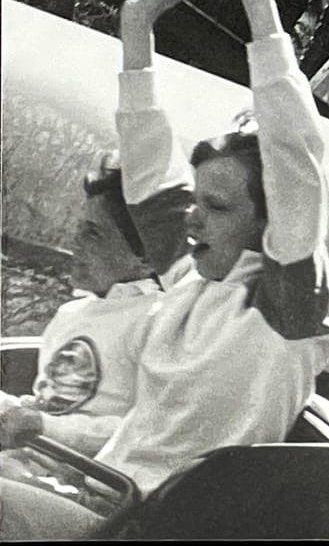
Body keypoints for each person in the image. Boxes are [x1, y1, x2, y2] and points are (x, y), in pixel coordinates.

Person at [0, 0, 329, 540]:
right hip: (96, 489)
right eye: (195, 201)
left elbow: (294, 152)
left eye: (215, 206)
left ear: (269, 223)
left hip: (149, 526)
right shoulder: (191, 279)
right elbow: (144, 153)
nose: (192, 219)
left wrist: (258, 4)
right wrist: (137, 25)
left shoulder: (285, 307)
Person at [0, 154, 190, 461]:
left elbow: (149, 432)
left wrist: (44, 427)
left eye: (93, 233)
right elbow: (46, 405)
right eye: (79, 229)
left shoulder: (158, 320)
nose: (75, 242)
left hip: (86, 479)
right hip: (27, 459)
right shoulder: (71, 314)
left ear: (146, 256)